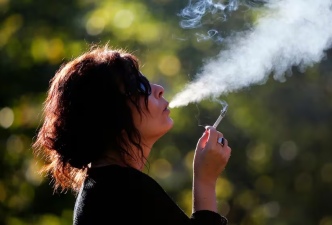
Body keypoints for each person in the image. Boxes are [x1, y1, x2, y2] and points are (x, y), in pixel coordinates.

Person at [32, 45, 231, 225]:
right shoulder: (125, 191)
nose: (159, 90)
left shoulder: (105, 188)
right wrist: (205, 181)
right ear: (110, 114)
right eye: (140, 86)